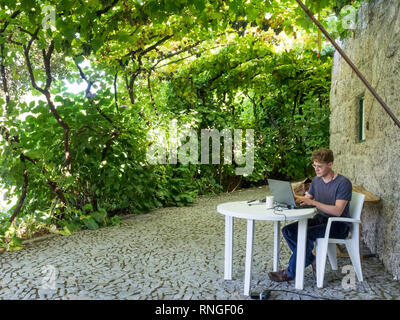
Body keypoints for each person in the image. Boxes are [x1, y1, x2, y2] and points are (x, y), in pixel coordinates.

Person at [268, 148, 352, 282]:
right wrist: (289, 197)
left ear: (330, 164)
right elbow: (306, 198)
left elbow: (337, 211)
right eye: (314, 166)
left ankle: (290, 273)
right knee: (288, 231)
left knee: (305, 234)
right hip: (321, 219)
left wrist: (312, 202)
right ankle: (311, 260)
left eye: (320, 166)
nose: (316, 169)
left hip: (338, 225)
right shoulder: (317, 181)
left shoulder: (343, 183)